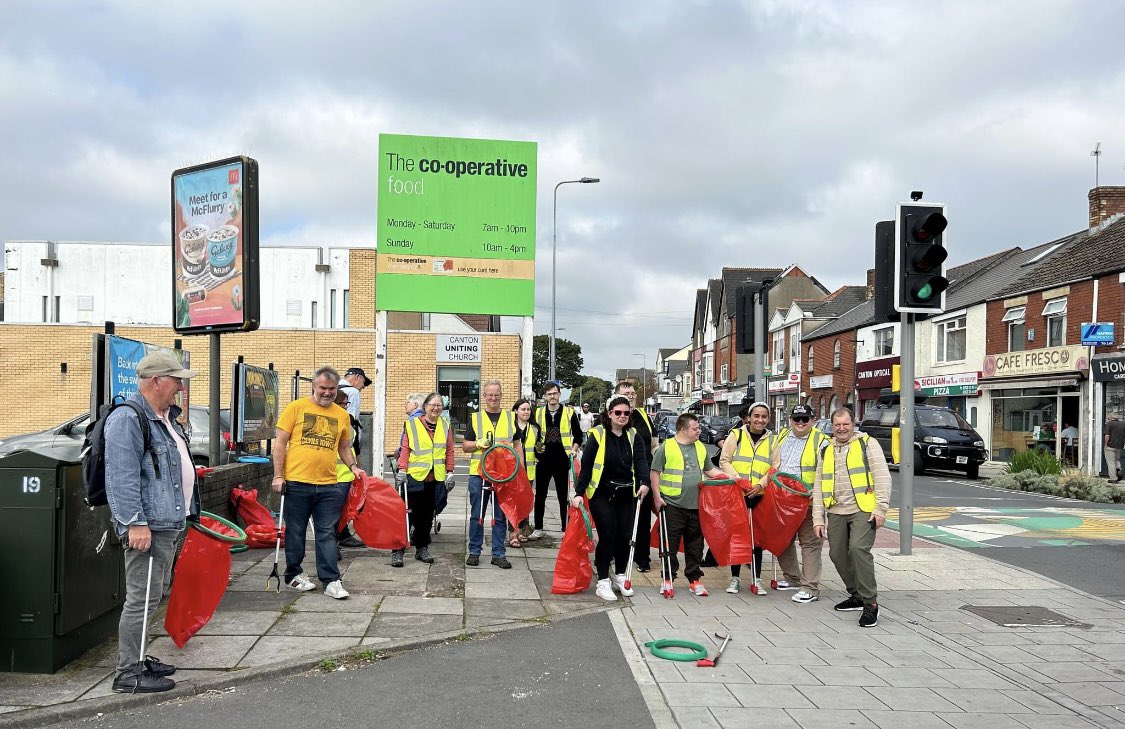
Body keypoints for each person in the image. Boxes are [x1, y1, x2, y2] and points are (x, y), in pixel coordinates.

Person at [104, 351, 199, 693]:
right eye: (176, 380)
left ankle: (140, 659)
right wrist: (134, 523)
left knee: (152, 596)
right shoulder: (129, 418)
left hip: (168, 521)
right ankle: (127, 673)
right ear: (156, 380)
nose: (181, 387)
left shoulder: (165, 417)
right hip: (149, 525)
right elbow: (121, 477)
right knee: (140, 599)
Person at [272, 366, 365, 600]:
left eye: (331, 389)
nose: (327, 393)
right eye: (323, 388)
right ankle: (294, 574)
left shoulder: (342, 415)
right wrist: (277, 475)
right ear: (314, 386)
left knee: (327, 533)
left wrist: (353, 467)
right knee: (295, 531)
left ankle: (331, 580)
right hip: (296, 482)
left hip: (329, 485)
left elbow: (344, 446)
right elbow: (280, 443)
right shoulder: (296, 408)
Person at [813, 407, 891, 628]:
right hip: (835, 510)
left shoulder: (868, 444)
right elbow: (818, 486)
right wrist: (818, 519)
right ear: (832, 426)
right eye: (837, 425)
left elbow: (882, 477)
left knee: (858, 549)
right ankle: (856, 594)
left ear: (853, 424)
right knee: (837, 554)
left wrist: (880, 509)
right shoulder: (826, 449)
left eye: (845, 424)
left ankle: (870, 603)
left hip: (863, 508)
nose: (841, 428)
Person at [573, 395, 650, 601]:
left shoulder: (634, 435)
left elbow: (641, 462)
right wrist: (579, 493)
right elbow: (587, 466)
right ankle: (603, 581)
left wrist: (644, 482)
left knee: (625, 536)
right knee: (608, 535)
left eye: (626, 413)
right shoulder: (597, 434)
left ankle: (621, 575)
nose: (622, 416)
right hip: (602, 493)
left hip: (626, 493)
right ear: (609, 414)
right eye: (618, 413)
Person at [651, 413, 726, 597]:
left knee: (696, 545)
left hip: (696, 505)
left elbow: (709, 470)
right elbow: (655, 472)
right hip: (672, 504)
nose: (699, 431)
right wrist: (657, 497)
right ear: (683, 429)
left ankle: (694, 579)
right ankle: (668, 579)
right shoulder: (666, 448)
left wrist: (730, 477)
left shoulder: (700, 447)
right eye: (695, 428)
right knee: (670, 545)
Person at [772, 404, 828, 604]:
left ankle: (810, 588)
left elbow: (829, 472)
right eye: (797, 419)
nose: (801, 423)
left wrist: (819, 495)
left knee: (810, 544)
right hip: (784, 501)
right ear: (791, 421)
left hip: (809, 501)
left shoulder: (822, 441)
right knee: (783, 540)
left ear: (813, 420)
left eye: (805, 419)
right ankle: (793, 578)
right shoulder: (782, 436)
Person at [394, 392, 455, 567]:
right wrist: (402, 470)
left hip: (434, 477)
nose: (436, 408)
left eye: (439, 405)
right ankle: (398, 550)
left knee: (427, 515)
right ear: (425, 406)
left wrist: (450, 471)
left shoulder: (445, 425)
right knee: (407, 515)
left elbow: (449, 450)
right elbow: (405, 448)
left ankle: (422, 548)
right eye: (432, 405)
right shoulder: (412, 424)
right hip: (414, 476)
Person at [719, 402, 773, 595]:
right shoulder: (737, 435)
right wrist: (738, 479)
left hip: (759, 495)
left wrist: (761, 484)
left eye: (764, 416)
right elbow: (724, 460)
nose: (760, 420)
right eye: (756, 416)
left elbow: (775, 467)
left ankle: (756, 579)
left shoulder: (772, 440)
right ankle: (734, 578)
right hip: (737, 495)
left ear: (768, 418)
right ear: (749, 417)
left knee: (756, 539)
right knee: (737, 536)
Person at [462, 379, 516, 568]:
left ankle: (498, 553)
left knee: (500, 515)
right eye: (489, 394)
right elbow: (465, 446)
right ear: (484, 397)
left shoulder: (511, 418)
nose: (493, 397)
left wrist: (519, 470)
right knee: (478, 514)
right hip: (479, 474)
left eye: (496, 394)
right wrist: (478, 443)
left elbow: (517, 446)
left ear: (501, 396)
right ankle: (474, 551)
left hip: (503, 475)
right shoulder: (476, 418)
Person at [530, 382, 583, 538]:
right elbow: (532, 435)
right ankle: (538, 528)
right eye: (549, 394)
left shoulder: (569, 413)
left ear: (560, 394)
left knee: (562, 495)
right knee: (540, 495)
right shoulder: (538, 413)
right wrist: (536, 448)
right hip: (543, 460)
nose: (552, 396)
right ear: (545, 396)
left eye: (555, 393)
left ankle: (565, 528)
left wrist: (573, 450)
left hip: (562, 459)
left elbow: (578, 436)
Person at [617, 381, 658, 573]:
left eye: (633, 393)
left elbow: (654, 444)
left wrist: (657, 468)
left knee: (642, 519)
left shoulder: (644, 416)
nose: (631, 396)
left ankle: (643, 558)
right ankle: (619, 555)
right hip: (621, 475)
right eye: (627, 393)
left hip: (644, 474)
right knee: (621, 518)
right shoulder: (614, 417)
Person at [336, 367, 368, 549]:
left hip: (344, 473)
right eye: (363, 382)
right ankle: (335, 540)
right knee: (336, 511)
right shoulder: (352, 393)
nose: (362, 388)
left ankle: (339, 537)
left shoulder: (346, 424)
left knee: (340, 510)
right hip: (337, 475)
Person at [510, 398, 542, 547]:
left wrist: (541, 451)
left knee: (525, 502)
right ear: (516, 411)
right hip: (512, 471)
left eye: (528, 409)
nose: (526, 412)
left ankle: (522, 531)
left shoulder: (535, 428)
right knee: (512, 502)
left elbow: (537, 451)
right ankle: (513, 532)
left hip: (529, 471)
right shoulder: (509, 427)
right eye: (523, 409)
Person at [1106, 413, 1125, 484]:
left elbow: (1107, 435)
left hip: (1110, 446)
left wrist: (1105, 445)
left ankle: (1113, 479)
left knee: (1111, 462)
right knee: (1117, 460)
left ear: (1111, 417)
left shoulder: (1109, 424)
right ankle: (1119, 470)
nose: (1108, 418)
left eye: (1109, 417)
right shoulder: (1123, 424)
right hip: (1119, 446)